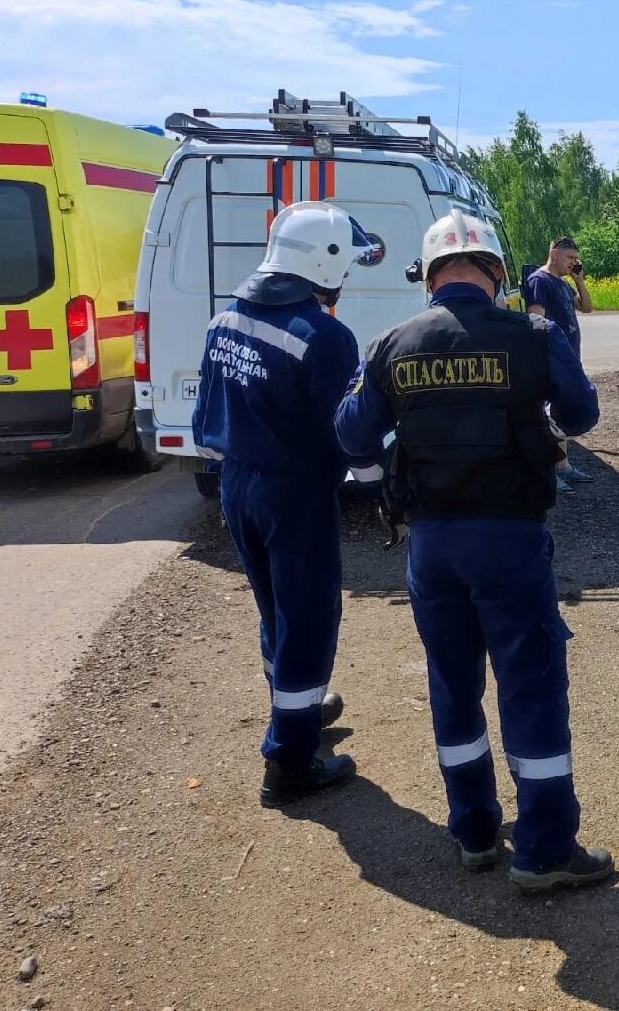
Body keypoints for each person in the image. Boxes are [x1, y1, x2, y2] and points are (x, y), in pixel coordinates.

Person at [334, 208, 612, 890]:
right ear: (494, 271)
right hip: (511, 541)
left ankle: (475, 831)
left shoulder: (392, 344)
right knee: (532, 685)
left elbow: (351, 437)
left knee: (453, 684)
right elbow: (581, 416)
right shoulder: (534, 335)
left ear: (430, 276)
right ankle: (544, 849)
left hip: (432, 548)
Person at [193, 201, 374, 808]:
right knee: (310, 621)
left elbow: (203, 419)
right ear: (324, 263)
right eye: (345, 264)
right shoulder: (325, 337)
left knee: (276, 610)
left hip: (236, 484)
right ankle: (291, 761)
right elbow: (348, 432)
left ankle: (294, 706)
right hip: (294, 493)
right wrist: (379, 487)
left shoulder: (224, 322)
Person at [525, 236, 595, 493]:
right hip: (550, 358)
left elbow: (587, 307)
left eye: (576, 259)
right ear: (554, 254)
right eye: (570, 258)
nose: (573, 263)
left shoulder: (564, 284)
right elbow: (536, 320)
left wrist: (579, 280)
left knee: (560, 414)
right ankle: (548, 472)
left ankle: (562, 466)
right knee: (545, 417)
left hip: (568, 358)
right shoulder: (538, 281)